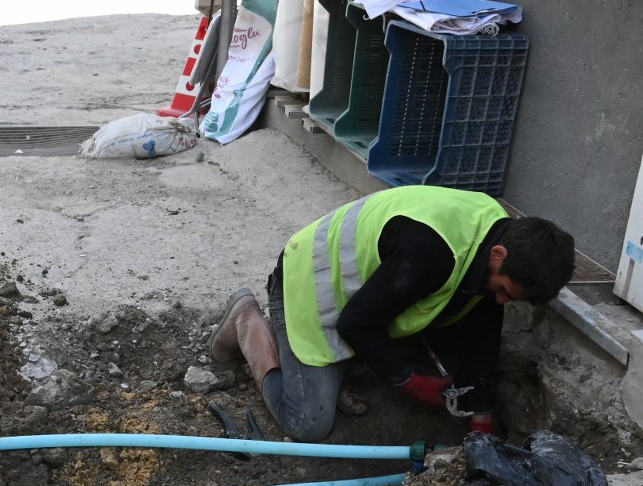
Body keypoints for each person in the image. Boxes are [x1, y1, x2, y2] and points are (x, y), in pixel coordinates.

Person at [209, 186, 575, 443]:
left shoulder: (495, 234)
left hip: (373, 291)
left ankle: (343, 369)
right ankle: (247, 321)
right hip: (310, 280)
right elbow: (356, 322)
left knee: (454, 342)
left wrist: (481, 420)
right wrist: (409, 381)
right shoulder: (432, 254)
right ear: (498, 255)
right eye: (503, 290)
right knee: (307, 423)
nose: (499, 301)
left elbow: (483, 337)